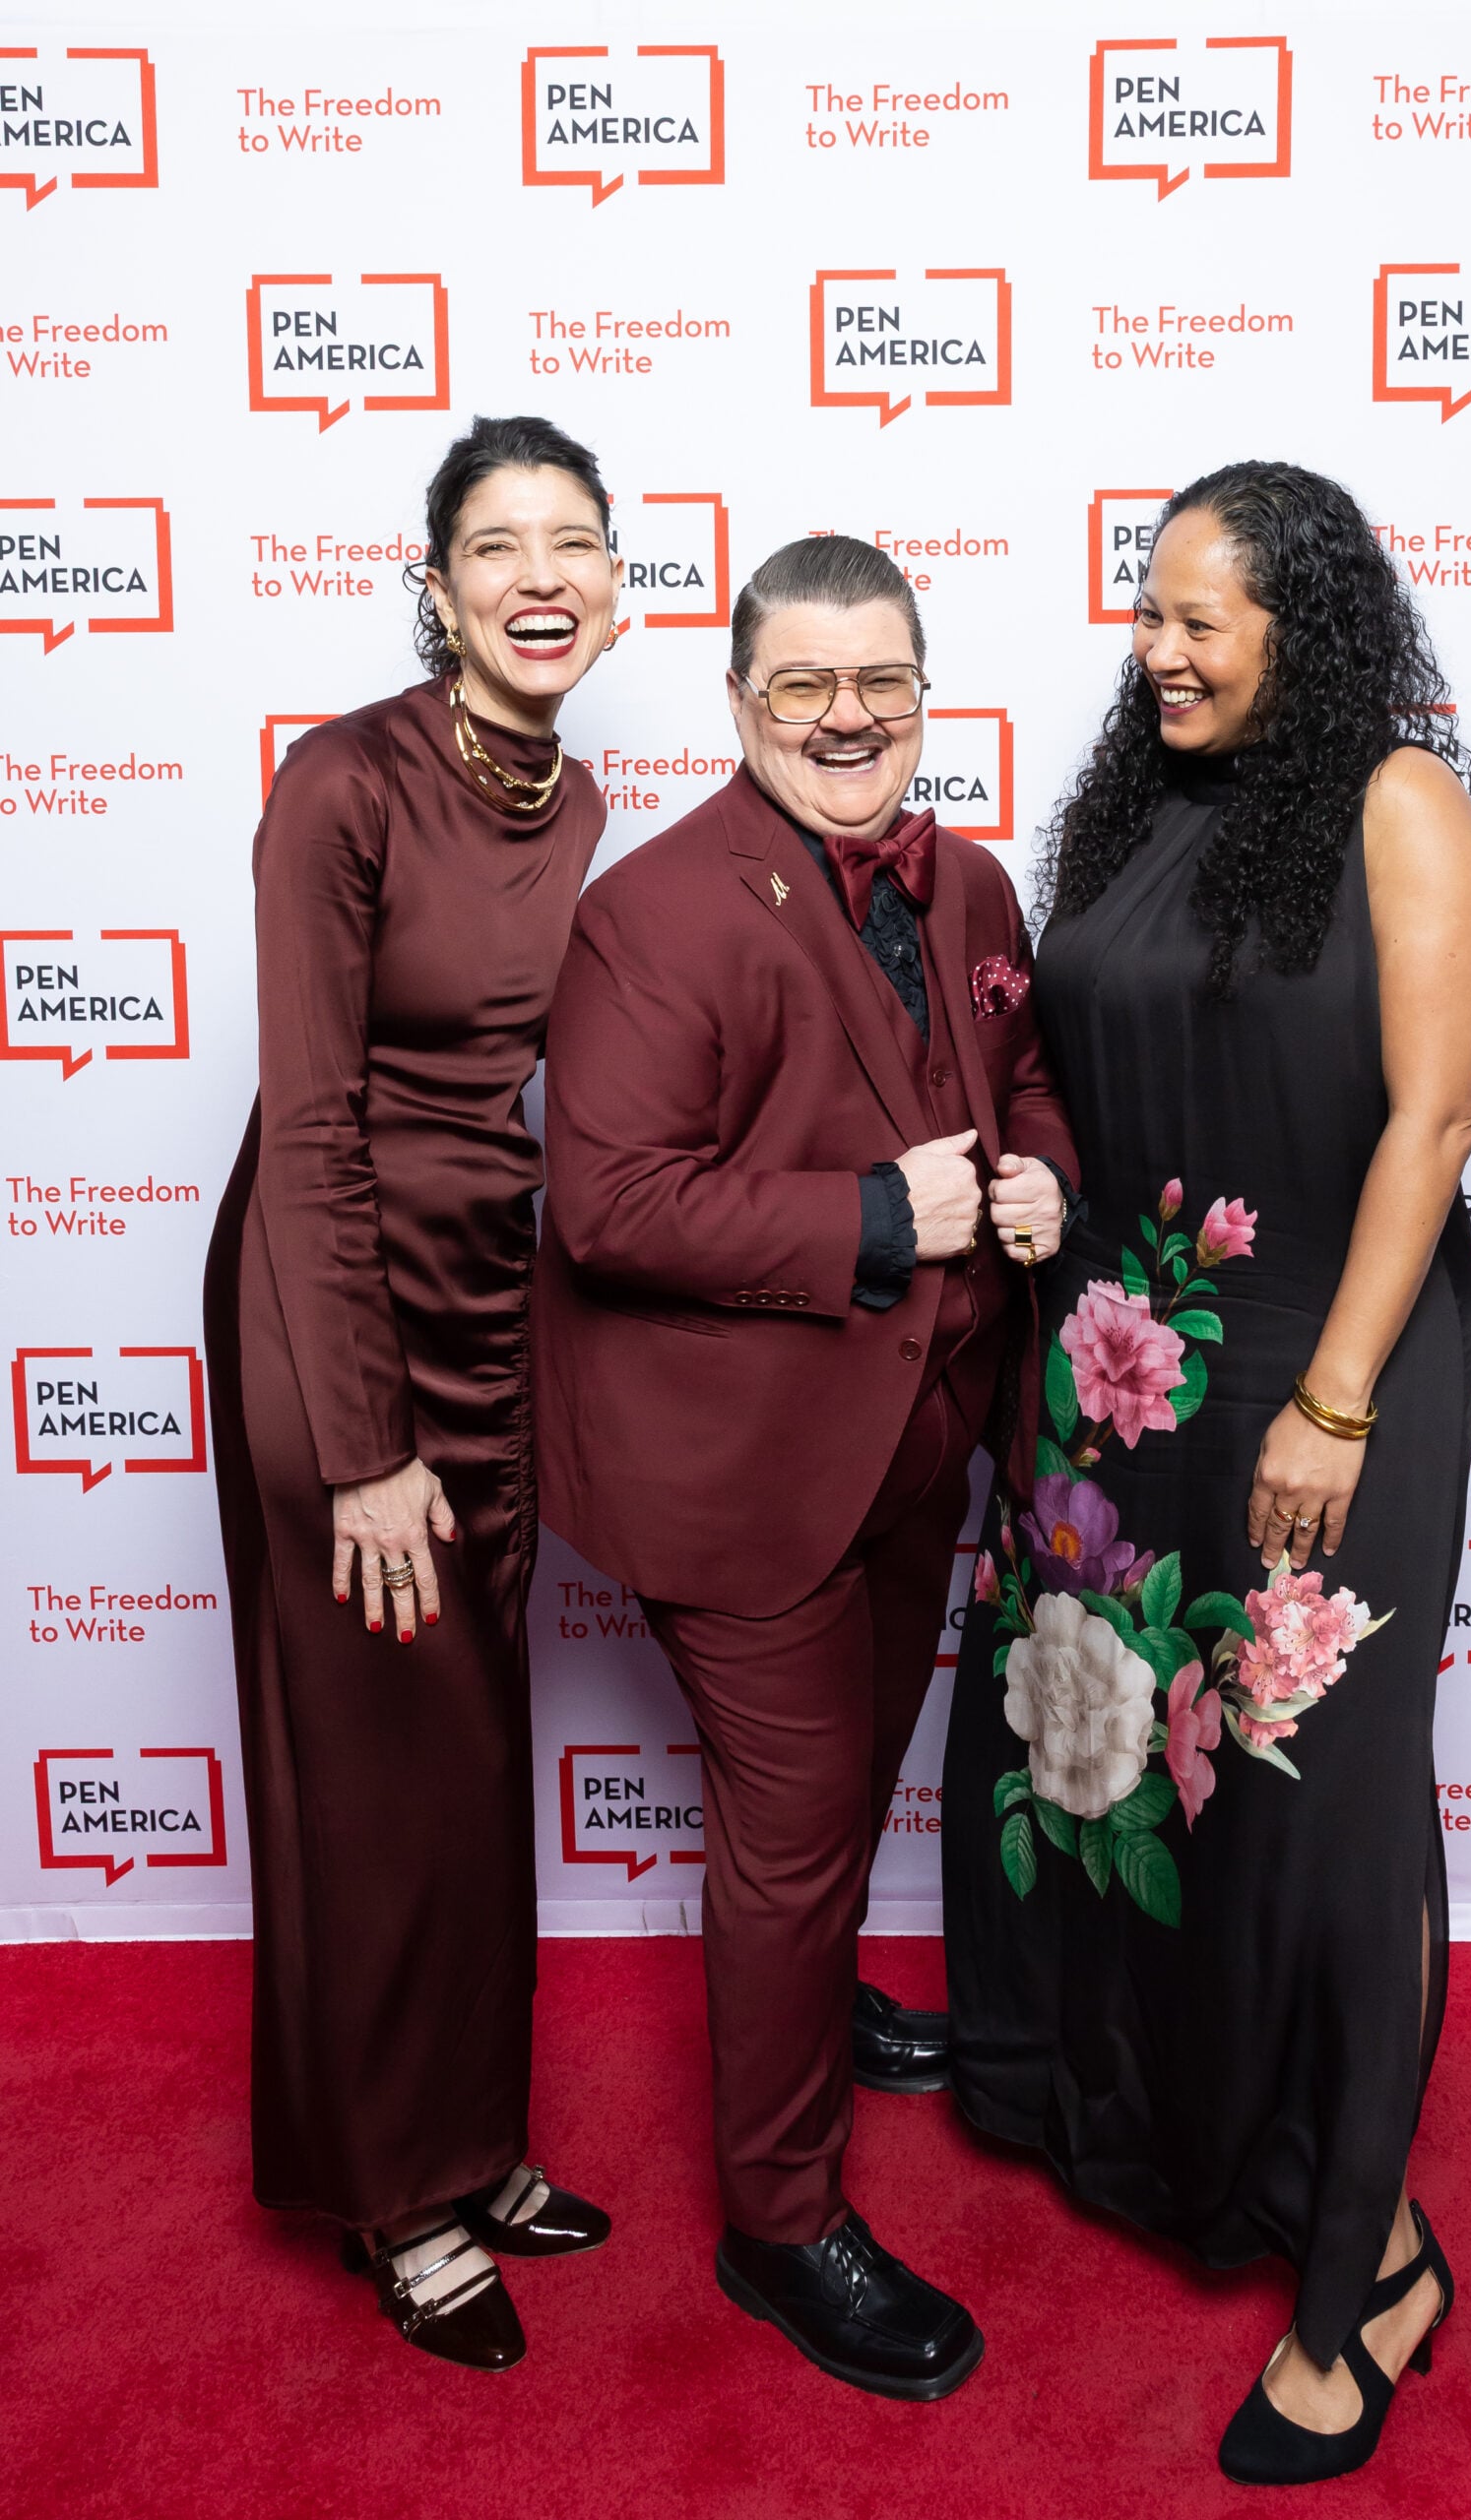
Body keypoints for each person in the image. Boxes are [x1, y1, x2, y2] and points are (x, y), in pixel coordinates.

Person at [941, 462, 1471, 2483]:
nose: (1155, 649)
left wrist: (1333, 1397)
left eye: (1200, 618)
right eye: (1146, 612)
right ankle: (1224, 2142)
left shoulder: (1395, 804)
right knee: (1153, 1777)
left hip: (1321, 1365)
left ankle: (1353, 2282)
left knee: (1325, 1816)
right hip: (1127, 1366)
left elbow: (1425, 1123)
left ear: (1307, 621)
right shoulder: (1140, 804)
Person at [534, 534, 1078, 2400]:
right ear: (743, 699)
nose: (850, 719)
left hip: (924, 1438)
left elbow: (1029, 1089)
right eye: (805, 688)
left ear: (923, 684)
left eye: (883, 683)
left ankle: (816, 2001)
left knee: (854, 1773)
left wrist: (1041, 1182)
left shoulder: (976, 884)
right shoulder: (653, 912)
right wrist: (871, 1210)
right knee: (782, 1839)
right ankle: (778, 2224)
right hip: (741, 1469)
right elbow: (606, 1206)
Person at [204, 414, 622, 2373]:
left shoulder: (586, 796)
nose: (539, 578)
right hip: (327, 1303)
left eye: (573, 545)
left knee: (467, 1752)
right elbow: (309, 1126)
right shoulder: (340, 783)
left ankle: (472, 2139)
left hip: (489, 1303)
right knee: (377, 1761)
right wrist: (363, 1443)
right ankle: (397, 2195)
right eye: (495, 547)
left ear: (613, 584)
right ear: (436, 581)